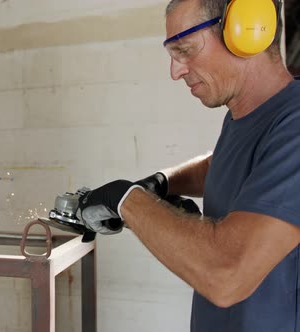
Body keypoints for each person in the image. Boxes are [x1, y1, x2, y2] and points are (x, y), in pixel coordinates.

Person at [76, 0, 300, 331]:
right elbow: (224, 162)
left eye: (186, 50)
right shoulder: (246, 119)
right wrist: (163, 182)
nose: (176, 71)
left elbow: (227, 274)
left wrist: (127, 201)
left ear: (248, 30)